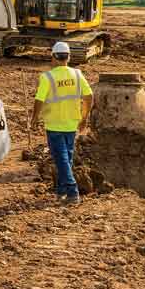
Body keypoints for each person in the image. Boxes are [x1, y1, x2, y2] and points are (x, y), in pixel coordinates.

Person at [30, 41, 94, 205]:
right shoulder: (77, 75)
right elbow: (89, 96)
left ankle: (73, 192)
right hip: (72, 123)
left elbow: (39, 100)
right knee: (66, 159)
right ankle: (61, 191)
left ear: (53, 57)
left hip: (54, 124)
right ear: (68, 57)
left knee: (62, 159)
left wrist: (34, 118)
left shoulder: (47, 77)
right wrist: (85, 117)